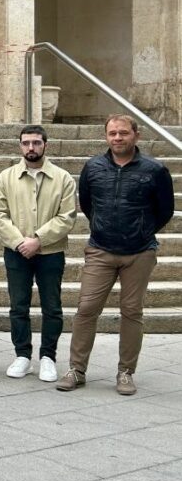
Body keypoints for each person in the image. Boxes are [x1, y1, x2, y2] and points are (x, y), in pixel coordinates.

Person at [57, 114, 174, 396]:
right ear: (106, 136)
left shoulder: (155, 170)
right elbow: (87, 203)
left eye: (123, 133)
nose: (117, 138)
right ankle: (76, 369)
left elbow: (165, 210)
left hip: (140, 253)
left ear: (136, 135)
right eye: (112, 133)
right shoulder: (93, 167)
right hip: (100, 250)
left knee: (132, 312)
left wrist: (140, 230)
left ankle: (125, 372)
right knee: (86, 309)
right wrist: (105, 228)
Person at [0, 124, 77, 382]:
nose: (31, 147)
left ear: (45, 145)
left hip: (50, 252)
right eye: (26, 143)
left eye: (36, 143)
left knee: (52, 307)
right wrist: (20, 242)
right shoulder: (6, 177)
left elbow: (67, 216)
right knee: (18, 305)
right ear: (20, 145)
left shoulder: (63, 178)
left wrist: (38, 240)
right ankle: (22, 355)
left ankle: (48, 356)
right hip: (16, 252)